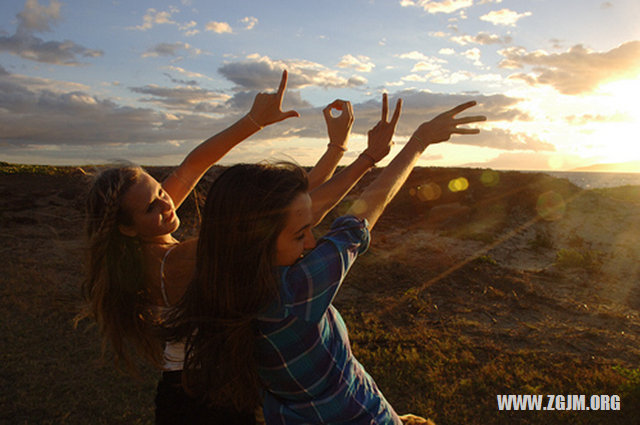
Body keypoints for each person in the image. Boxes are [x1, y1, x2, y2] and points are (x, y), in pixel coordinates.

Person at [165, 98, 486, 424]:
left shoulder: (219, 278)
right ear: (256, 242)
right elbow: (362, 216)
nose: (311, 242)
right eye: (299, 234)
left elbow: (304, 210)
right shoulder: (295, 292)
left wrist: (357, 153)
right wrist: (418, 141)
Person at [78, 71, 367, 424]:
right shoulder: (176, 260)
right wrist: (352, 155)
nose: (167, 203)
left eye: (160, 191)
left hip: (185, 388)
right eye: (152, 207)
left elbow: (194, 165)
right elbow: (289, 210)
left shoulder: (140, 246)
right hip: (209, 399)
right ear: (126, 227)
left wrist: (254, 120)